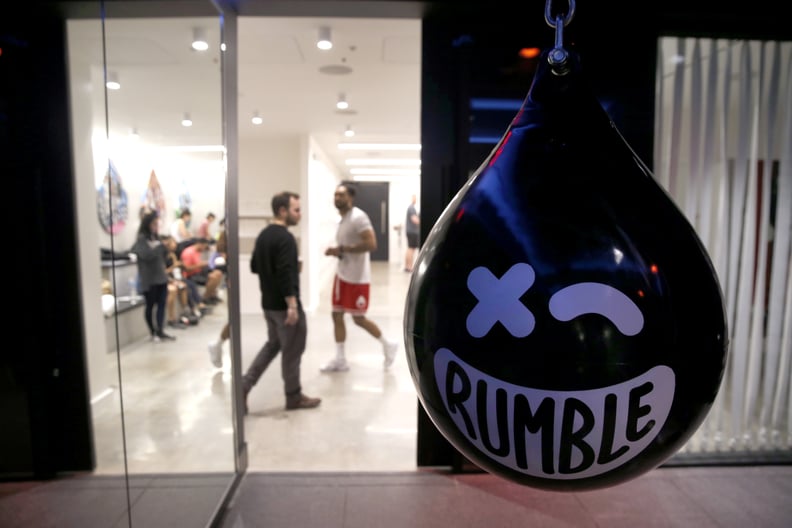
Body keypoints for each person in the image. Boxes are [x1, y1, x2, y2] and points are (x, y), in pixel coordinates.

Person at [241, 191, 321, 412]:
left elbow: (255, 266)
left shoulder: (264, 235)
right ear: (282, 211)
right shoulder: (285, 238)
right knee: (292, 351)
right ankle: (293, 396)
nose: (300, 214)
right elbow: (285, 273)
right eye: (296, 210)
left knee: (273, 345)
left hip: (268, 304)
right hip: (284, 308)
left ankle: (244, 385)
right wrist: (292, 305)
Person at [321, 182, 398, 372]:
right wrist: (337, 252)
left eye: (341, 195)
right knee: (336, 314)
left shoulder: (359, 217)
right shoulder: (342, 219)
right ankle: (340, 359)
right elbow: (347, 247)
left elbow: (371, 244)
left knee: (358, 319)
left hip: (357, 278)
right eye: (335, 195)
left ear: (351, 198)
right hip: (342, 275)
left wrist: (342, 249)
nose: (337, 198)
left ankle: (388, 344)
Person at [130, 211, 176, 342]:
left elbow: (163, 255)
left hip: (161, 277)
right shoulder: (141, 240)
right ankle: (152, 331)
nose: (156, 226)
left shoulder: (156, 239)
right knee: (150, 306)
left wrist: (165, 247)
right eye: (154, 224)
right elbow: (146, 255)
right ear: (148, 224)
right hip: (149, 279)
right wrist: (159, 247)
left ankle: (160, 330)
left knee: (162, 304)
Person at [180, 238, 223, 305]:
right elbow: (186, 269)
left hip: (200, 272)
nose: (204, 249)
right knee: (213, 277)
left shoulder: (198, 251)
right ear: (200, 244)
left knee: (218, 273)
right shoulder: (188, 252)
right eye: (204, 246)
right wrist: (200, 265)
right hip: (191, 275)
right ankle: (205, 298)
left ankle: (210, 295)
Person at [404, 194, 420, 272]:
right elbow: (415, 220)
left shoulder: (411, 208)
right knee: (411, 249)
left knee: (410, 248)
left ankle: (407, 266)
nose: (415, 199)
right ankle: (409, 267)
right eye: (414, 198)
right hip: (412, 232)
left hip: (410, 231)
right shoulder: (412, 208)